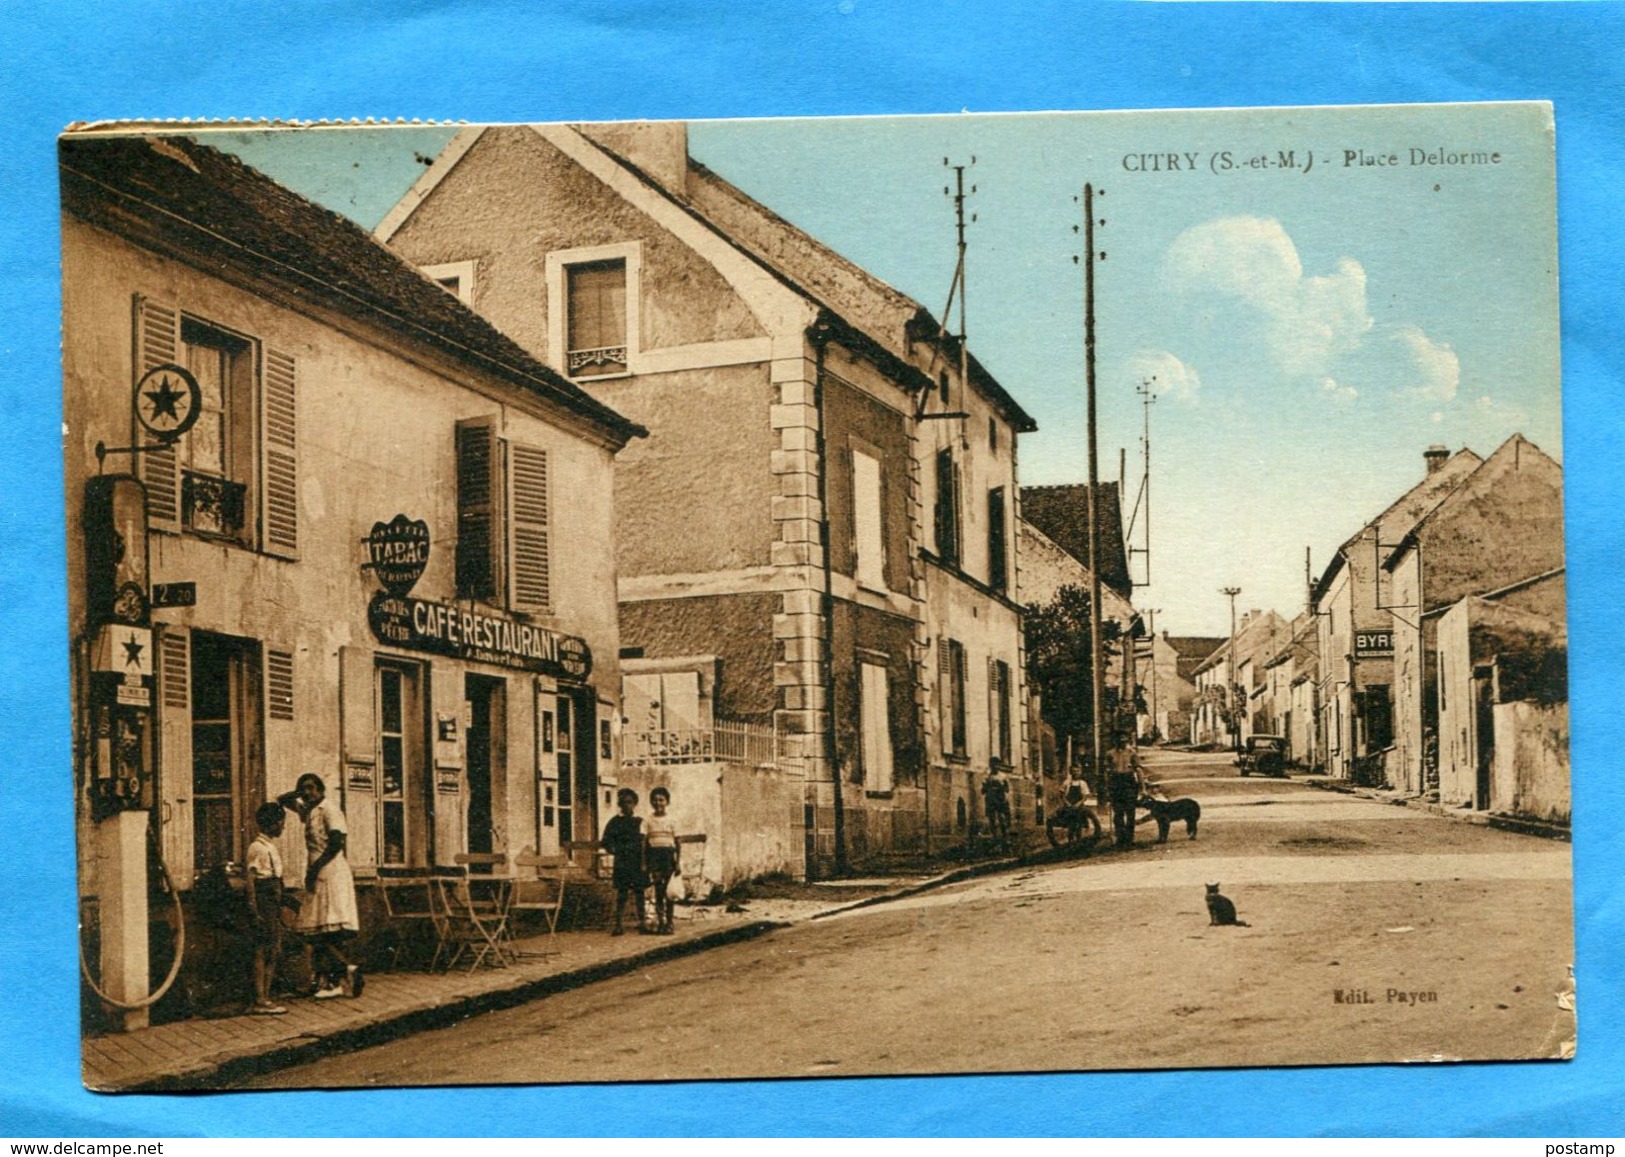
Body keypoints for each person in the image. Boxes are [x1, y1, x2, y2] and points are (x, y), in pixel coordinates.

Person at [279, 773, 363, 999]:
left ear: (321, 789)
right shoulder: (311, 811)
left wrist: (315, 869)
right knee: (318, 931)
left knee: (324, 931)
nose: (307, 792)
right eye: (303, 788)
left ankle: (339, 974)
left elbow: (337, 843)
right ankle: (334, 978)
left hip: (330, 870)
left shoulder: (329, 810)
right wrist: (299, 794)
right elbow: (282, 799)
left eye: (311, 788)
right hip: (318, 869)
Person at [244, 801, 289, 1015]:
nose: (282, 826)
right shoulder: (257, 848)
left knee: (273, 947)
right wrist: (254, 909)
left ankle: (266, 994)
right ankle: (260, 997)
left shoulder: (270, 846)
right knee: (263, 948)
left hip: (273, 899)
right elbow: (251, 880)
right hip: (264, 901)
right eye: (281, 822)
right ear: (272, 823)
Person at [601, 787, 648, 935]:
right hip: (622, 862)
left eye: (630, 802)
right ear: (620, 805)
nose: (627, 805)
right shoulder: (614, 822)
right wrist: (615, 850)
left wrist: (644, 860)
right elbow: (606, 842)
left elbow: (645, 841)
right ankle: (618, 924)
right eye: (624, 803)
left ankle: (642, 923)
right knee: (622, 893)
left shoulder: (640, 821)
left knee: (640, 892)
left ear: (635, 804)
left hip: (637, 861)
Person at [644, 787, 680, 934]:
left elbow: (678, 843)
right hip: (654, 857)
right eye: (655, 800)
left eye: (661, 800)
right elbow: (644, 844)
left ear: (667, 802)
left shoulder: (672, 820)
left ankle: (670, 922)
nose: (658, 803)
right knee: (659, 890)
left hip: (668, 857)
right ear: (651, 802)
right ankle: (661, 922)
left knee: (669, 892)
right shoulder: (648, 820)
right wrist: (645, 863)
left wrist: (677, 863)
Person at [1107, 743, 1143, 848]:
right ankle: (1120, 838)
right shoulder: (1110, 753)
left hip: (1129, 783)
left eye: (1123, 738)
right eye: (1118, 738)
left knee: (1130, 812)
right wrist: (1107, 787)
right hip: (1115, 783)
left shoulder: (1132, 753)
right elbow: (1107, 771)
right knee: (1118, 813)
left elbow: (1139, 770)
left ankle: (1129, 839)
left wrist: (1142, 788)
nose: (1121, 740)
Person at [980, 766, 1012, 845]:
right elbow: (983, 790)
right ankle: (994, 837)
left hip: (1000, 800)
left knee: (1002, 818)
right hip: (990, 800)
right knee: (992, 819)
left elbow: (1007, 789)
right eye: (993, 765)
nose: (995, 767)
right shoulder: (987, 777)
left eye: (997, 765)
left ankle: (1005, 837)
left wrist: (1000, 788)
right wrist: (986, 786)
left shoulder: (1003, 776)